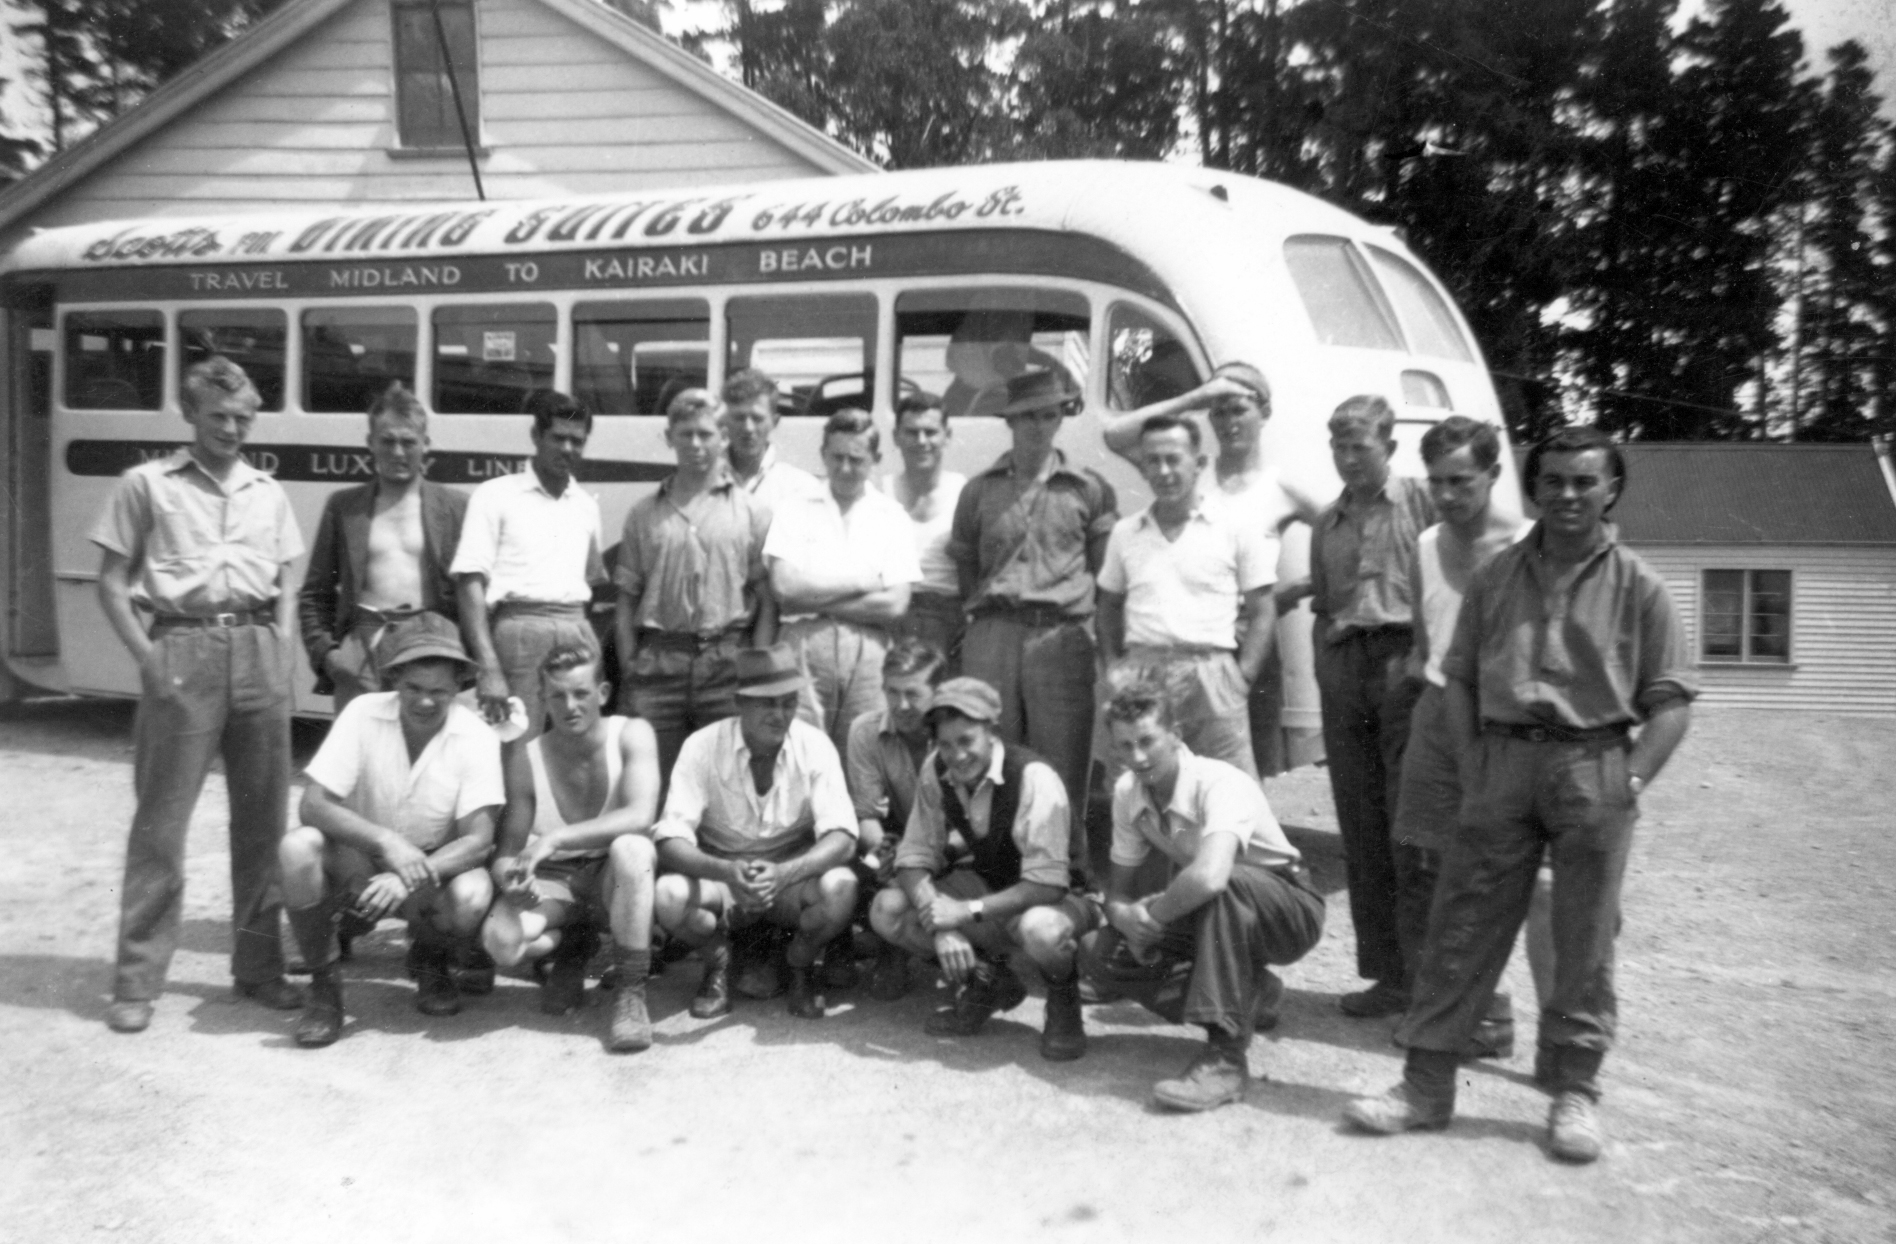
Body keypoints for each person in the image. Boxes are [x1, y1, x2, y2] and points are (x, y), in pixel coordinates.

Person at [1344, 426, 1695, 1164]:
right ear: (1533, 489)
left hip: (1593, 766)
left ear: (1612, 490)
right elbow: (1458, 677)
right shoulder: (1498, 575)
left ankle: (1574, 1091)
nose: (1568, 494)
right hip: (1501, 763)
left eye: (1584, 481)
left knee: (1583, 938)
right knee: (1461, 924)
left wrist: (1628, 782)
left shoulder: (1641, 586)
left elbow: (1670, 703)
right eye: (1554, 481)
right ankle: (1425, 1086)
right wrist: (1476, 765)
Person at [91, 356, 306, 1034]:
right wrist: (148, 659)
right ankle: (136, 982)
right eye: (219, 416)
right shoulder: (147, 485)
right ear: (189, 414)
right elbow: (111, 581)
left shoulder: (267, 491)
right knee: (161, 825)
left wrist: (282, 644)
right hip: (181, 648)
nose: (232, 429)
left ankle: (260, 968)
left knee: (264, 823)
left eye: (243, 418)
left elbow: (288, 578)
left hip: (257, 647)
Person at [1080, 677, 1324, 1112]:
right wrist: (1123, 918)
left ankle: (1225, 1058)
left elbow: (1210, 877)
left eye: (1147, 741)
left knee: (1222, 884)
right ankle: (1253, 992)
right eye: (1125, 746)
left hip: (1288, 907)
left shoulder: (1219, 781)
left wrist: (1152, 918)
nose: (1137, 757)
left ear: (1176, 735)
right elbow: (1118, 890)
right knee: (1100, 951)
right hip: (1216, 910)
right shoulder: (1127, 792)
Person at [1392, 415, 1550, 1060]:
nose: (1447, 494)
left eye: (1461, 480)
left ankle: (1533, 1026)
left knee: (1522, 878)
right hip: (1438, 716)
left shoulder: (1534, 542)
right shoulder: (1427, 543)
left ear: (1493, 473)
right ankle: (1471, 1013)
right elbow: (1425, 640)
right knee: (1431, 865)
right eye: (1436, 482)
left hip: (1509, 723)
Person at [279, 614, 502, 1046]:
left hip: (429, 870)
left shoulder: (476, 735)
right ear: (394, 678)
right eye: (414, 688)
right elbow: (313, 804)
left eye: (439, 691)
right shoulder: (362, 712)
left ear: (458, 686)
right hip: (360, 859)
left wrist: (406, 876)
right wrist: (385, 841)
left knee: (472, 894)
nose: (425, 702)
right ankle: (325, 989)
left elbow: (478, 841)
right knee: (297, 848)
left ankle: (430, 958)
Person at [1099, 362, 1323, 775]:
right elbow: (1116, 434)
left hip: (1244, 642)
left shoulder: (1280, 488)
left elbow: (1339, 531)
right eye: (1218, 411)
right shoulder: (1186, 471)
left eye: (1238, 409)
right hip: (1173, 635)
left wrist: (1299, 589)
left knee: (1242, 768)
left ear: (1264, 413)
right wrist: (1197, 397)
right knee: (1160, 764)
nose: (1228, 421)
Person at [869, 678, 1094, 1061]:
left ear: (992, 732)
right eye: (945, 744)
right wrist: (940, 922)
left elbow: (1048, 885)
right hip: (991, 890)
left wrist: (964, 912)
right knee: (887, 908)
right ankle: (987, 980)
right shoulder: (937, 768)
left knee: (1040, 930)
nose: (956, 755)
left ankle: (1063, 998)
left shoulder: (1034, 777)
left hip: (1061, 900)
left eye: (966, 740)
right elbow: (912, 857)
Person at [1303, 395, 1436, 1019]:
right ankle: (1388, 977)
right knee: (1361, 828)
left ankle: (1429, 983)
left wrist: (1424, 662)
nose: (1348, 458)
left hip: (1404, 662)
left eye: (1360, 446)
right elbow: (1323, 607)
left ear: (1390, 446)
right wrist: (1326, 671)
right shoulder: (1325, 523)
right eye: (1339, 446)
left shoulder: (1422, 502)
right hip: (1345, 668)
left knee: (1412, 827)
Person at [949, 364, 1118, 844]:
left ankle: (1064, 868)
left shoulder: (1087, 488)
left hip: (1059, 637)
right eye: (1026, 417)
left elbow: (1105, 574)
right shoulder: (979, 490)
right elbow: (966, 564)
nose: (1038, 427)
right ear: (1009, 421)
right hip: (993, 633)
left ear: (1061, 418)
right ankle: (994, 862)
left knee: (1061, 761)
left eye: (1048, 415)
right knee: (989, 753)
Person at [652, 644, 860, 1020]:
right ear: (739, 703)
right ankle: (718, 961)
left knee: (842, 888)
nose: (779, 715)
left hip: (791, 876)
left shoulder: (813, 744)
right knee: (669, 895)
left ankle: (800, 964)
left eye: (788, 703)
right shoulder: (702, 746)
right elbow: (669, 839)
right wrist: (724, 871)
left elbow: (843, 837)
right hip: (724, 876)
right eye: (767, 703)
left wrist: (785, 873)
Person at [483, 645, 663, 1052]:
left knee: (633, 849)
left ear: (603, 692)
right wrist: (512, 882)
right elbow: (507, 850)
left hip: (612, 877)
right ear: (543, 699)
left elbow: (640, 815)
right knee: (500, 941)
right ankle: (572, 945)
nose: (570, 706)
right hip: (558, 883)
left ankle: (630, 992)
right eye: (557, 696)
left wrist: (555, 838)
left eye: (581, 693)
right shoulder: (527, 758)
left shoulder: (632, 733)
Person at [1097, 414, 1277, 778]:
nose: (1163, 471)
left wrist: (1241, 678)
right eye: (1153, 461)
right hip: (1141, 674)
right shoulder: (1126, 533)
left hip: (1211, 676)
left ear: (1198, 463)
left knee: (1229, 788)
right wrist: (1114, 667)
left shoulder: (1236, 526)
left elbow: (1262, 610)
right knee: (1140, 786)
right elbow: (1108, 606)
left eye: (1173, 459)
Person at [614, 388, 776, 778]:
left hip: (727, 663)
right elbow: (626, 600)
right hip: (657, 666)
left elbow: (767, 600)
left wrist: (756, 664)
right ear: (669, 438)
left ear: (724, 437)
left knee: (727, 780)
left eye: (705, 434)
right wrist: (630, 665)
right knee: (652, 781)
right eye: (685, 434)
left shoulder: (751, 511)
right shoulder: (643, 514)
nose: (696, 444)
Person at [299, 383, 468, 711]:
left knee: (428, 738)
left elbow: (474, 594)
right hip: (363, 644)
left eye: (408, 442)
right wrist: (329, 655)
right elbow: (314, 593)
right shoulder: (344, 506)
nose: (398, 452)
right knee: (362, 739)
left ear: (426, 444)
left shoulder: (454, 507)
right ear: (370, 443)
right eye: (388, 441)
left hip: (430, 643)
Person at [764, 407, 921, 753]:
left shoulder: (892, 516)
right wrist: (861, 584)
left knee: (863, 748)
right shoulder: (795, 508)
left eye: (856, 459)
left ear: (876, 460)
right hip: (802, 644)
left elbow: (895, 604)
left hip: (869, 649)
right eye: (836, 457)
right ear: (823, 455)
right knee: (798, 750)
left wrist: (814, 596)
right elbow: (785, 587)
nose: (845, 468)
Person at [452, 390, 605, 741]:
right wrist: (489, 666)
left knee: (577, 744)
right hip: (518, 636)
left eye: (577, 441)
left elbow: (593, 583)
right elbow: (469, 583)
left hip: (576, 632)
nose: (567, 448)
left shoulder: (586, 505)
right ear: (536, 436)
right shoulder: (495, 495)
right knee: (516, 745)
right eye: (558, 438)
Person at [843, 637, 952, 997]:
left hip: (952, 846)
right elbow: (865, 815)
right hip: (897, 844)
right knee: (854, 861)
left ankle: (975, 959)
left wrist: (920, 856)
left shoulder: (958, 734)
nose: (901, 705)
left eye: (913, 694)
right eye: (892, 692)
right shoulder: (865, 731)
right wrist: (886, 850)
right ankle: (890, 944)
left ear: (937, 692)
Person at [886, 392, 968, 665]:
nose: (921, 441)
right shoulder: (879, 492)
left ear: (947, 436)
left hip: (948, 618)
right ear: (896, 437)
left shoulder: (965, 493)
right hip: (890, 613)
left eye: (930, 432)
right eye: (911, 432)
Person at [721, 368, 820, 513]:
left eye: (757, 418)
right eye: (739, 418)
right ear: (724, 421)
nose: (748, 428)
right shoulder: (701, 480)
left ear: (774, 422)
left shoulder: (800, 487)